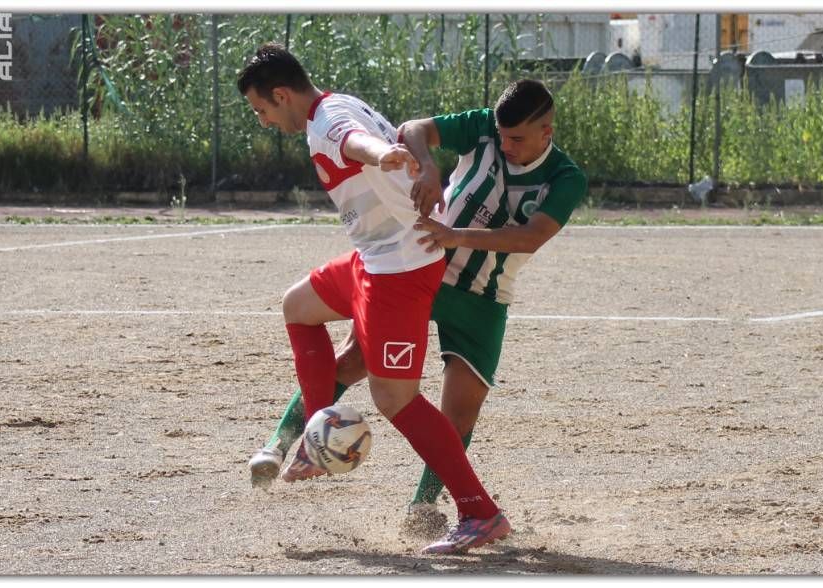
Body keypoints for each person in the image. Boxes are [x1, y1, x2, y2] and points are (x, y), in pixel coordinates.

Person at [249, 78, 588, 536]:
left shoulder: (566, 177)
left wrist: (457, 236)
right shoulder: (484, 126)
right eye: (502, 136)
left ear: (547, 131)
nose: (505, 144)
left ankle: (423, 508)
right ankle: (286, 442)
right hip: (422, 265)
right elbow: (413, 129)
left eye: (517, 139)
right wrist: (428, 166)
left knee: (460, 411)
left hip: (484, 297)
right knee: (354, 361)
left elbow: (531, 237)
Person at [236, 42, 510, 555]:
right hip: (374, 258)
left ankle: (479, 511)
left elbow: (355, 142)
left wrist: (382, 154)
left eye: (262, 110)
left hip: (400, 270)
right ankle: (319, 432)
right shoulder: (337, 102)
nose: (265, 121)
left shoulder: (328, 122)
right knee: (298, 306)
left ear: (280, 94)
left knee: (394, 399)